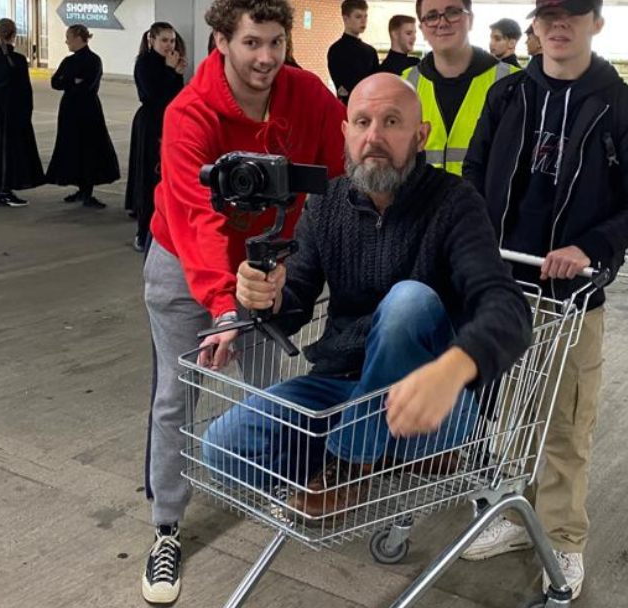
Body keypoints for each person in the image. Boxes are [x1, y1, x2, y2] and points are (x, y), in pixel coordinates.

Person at [206, 72, 532, 518]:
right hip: (340, 387)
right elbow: (296, 297)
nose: (374, 137)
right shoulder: (326, 203)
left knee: (409, 302)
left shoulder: (455, 204)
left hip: (427, 400)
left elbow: (508, 308)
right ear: (345, 132)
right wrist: (264, 296)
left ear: (420, 136)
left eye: (391, 122)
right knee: (222, 450)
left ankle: (349, 462)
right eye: (361, 122)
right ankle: (372, 450)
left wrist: (453, 369)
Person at [140, 0, 346, 604]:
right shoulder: (189, 113)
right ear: (222, 40)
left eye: (276, 42)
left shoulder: (305, 96)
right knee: (181, 392)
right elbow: (195, 219)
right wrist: (223, 308)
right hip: (185, 267)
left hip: (265, 267)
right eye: (251, 42)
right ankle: (167, 526)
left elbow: (343, 171)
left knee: (270, 392)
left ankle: (274, 485)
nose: (265, 57)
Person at [461, 0, 628, 599]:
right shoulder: (508, 95)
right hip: (499, 286)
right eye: (548, 15)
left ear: (596, 24)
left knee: (566, 424)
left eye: (572, 15)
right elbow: (473, 172)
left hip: (570, 297)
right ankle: (514, 515)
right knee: (501, 414)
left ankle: (563, 539)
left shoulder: (625, 110)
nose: (558, 25)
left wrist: (589, 248)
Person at [405, 0, 516, 175]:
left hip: (484, 205)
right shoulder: (405, 84)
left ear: (470, 20)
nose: (442, 22)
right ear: (421, 28)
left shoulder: (513, 82)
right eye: (431, 16)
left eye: (453, 12)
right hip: (423, 204)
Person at [46, 25, 120, 209]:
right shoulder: (69, 60)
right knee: (73, 146)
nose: (66, 41)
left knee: (89, 148)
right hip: (70, 110)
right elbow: (55, 82)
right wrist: (73, 81)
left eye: (68, 38)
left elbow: (87, 84)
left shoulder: (93, 60)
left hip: (87, 110)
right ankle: (81, 188)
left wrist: (68, 82)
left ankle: (87, 190)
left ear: (79, 38)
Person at [127, 22, 186, 250]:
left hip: (167, 123)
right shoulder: (145, 62)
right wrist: (171, 71)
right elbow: (152, 96)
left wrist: (176, 72)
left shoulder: (169, 63)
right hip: (150, 124)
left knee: (165, 179)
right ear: (151, 40)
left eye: (172, 41)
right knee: (149, 178)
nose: (169, 45)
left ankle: (164, 231)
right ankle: (143, 233)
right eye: (164, 40)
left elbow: (176, 97)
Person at [0, 18, 44, 207]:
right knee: (11, 149)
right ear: (13, 34)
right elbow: (25, 89)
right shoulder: (18, 60)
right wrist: (27, 112)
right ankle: (5, 191)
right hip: (14, 107)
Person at [327, 0, 379, 105]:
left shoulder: (370, 52)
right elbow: (343, 89)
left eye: (365, 16)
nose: (363, 21)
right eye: (358, 16)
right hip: (347, 108)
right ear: (345, 19)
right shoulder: (336, 51)